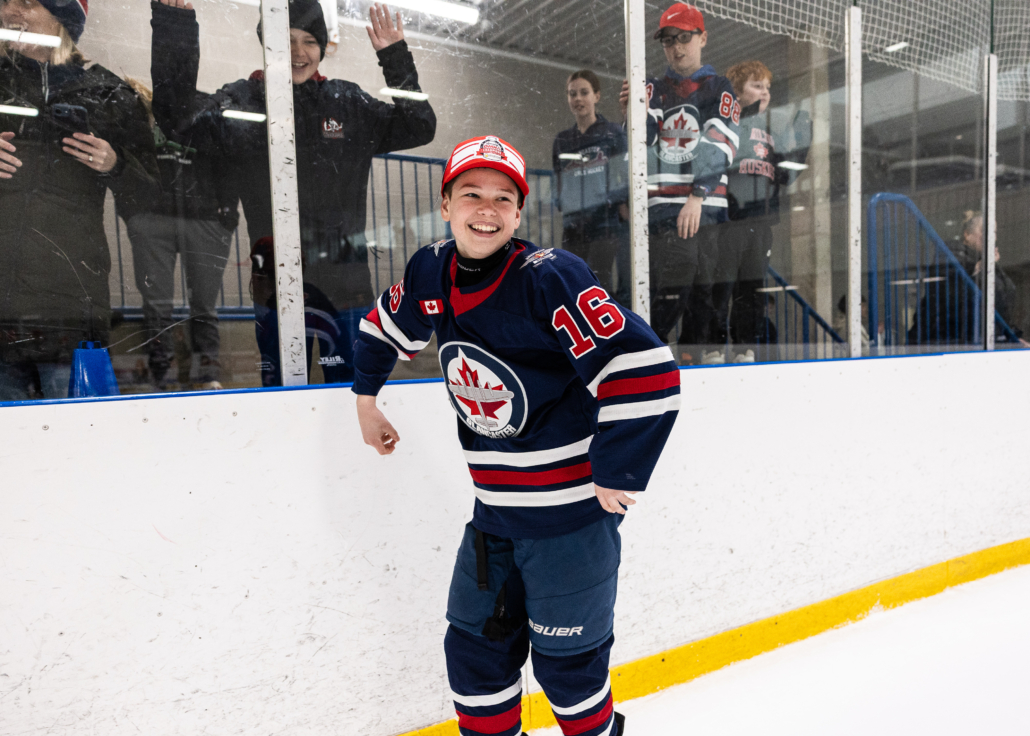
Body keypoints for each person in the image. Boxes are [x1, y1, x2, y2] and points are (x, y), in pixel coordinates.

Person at [353, 135, 680, 736]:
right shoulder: (431, 269)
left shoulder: (549, 278)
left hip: (570, 527)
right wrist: (366, 398)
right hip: (494, 520)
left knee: (571, 674)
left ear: (519, 213)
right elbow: (383, 325)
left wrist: (616, 469)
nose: (487, 208)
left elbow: (644, 368)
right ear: (445, 202)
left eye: (504, 198)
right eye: (472, 194)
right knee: (475, 660)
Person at [150, 0, 436, 385]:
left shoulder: (347, 103)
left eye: (309, 41)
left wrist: (394, 56)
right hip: (277, 290)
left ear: (322, 48)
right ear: (266, 44)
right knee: (282, 394)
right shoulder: (241, 102)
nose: (299, 53)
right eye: (286, 40)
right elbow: (174, 116)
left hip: (346, 288)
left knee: (356, 393)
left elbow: (420, 126)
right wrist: (175, 24)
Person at [0, 0, 157, 400]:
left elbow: (155, 199)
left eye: (26, 2)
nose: (10, 11)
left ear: (64, 16)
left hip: (68, 308)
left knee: (74, 443)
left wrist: (115, 164)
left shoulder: (108, 92)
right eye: (4, 2)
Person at [619, 3, 740, 362]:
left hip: (706, 204)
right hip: (663, 207)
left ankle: (695, 358)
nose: (676, 47)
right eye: (669, 40)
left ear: (702, 38)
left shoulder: (720, 86)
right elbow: (645, 140)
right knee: (674, 274)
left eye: (684, 38)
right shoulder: (654, 87)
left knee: (704, 288)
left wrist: (698, 194)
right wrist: (633, 115)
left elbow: (722, 141)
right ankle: (648, 349)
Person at [117, 79, 237, 391]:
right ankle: (162, 376)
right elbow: (125, 160)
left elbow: (228, 162)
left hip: (204, 217)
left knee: (204, 304)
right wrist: (133, 214)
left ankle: (207, 375)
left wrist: (227, 215)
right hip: (153, 216)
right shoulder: (140, 109)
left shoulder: (209, 109)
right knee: (157, 303)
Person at [711, 60, 811, 363]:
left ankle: (745, 347)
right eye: (757, 86)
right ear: (737, 93)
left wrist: (802, 140)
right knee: (721, 284)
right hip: (729, 220)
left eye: (767, 87)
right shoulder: (726, 123)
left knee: (752, 287)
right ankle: (713, 346)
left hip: (760, 220)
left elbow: (785, 175)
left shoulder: (772, 129)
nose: (765, 93)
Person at [553, 69, 630, 304]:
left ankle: (608, 336)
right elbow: (558, 179)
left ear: (596, 96)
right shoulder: (562, 140)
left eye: (584, 93)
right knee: (574, 283)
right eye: (572, 94)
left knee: (599, 283)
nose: (578, 99)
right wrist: (563, 202)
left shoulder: (613, 132)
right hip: (573, 224)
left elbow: (624, 174)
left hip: (604, 223)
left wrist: (619, 203)